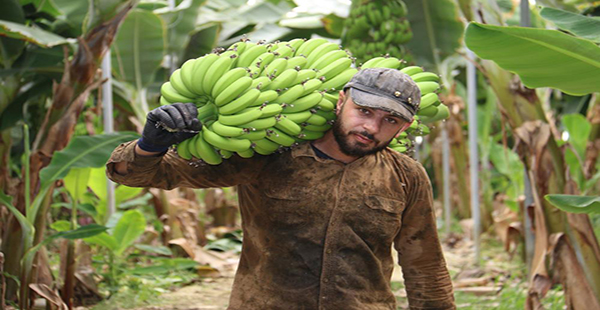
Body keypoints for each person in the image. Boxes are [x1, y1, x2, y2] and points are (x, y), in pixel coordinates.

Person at [107, 68, 456, 309]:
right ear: (341, 101)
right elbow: (142, 174)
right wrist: (150, 145)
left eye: (389, 120)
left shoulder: (406, 176)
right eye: (363, 110)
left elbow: (424, 264)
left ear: (405, 126)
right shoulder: (267, 152)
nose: (371, 127)